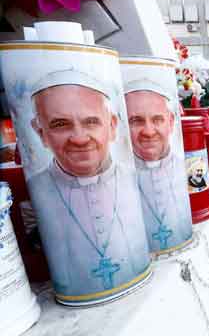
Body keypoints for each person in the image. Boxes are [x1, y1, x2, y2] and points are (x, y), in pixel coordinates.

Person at [27, 70, 150, 299]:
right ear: (41, 132)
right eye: (61, 124)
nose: (80, 138)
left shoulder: (133, 178)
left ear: (112, 125)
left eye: (91, 122)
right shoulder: (34, 190)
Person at [124, 79, 193, 253]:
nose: (148, 131)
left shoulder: (186, 166)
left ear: (170, 122)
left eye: (157, 120)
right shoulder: (119, 179)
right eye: (136, 121)